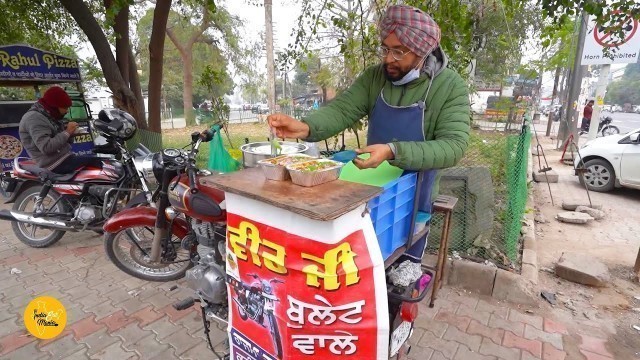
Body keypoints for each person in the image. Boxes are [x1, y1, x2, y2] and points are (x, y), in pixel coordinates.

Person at [268, 5, 470, 261]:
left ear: (422, 52)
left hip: (414, 193)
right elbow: (342, 110)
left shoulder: (449, 86)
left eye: (398, 52)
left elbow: (454, 146)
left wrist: (393, 151)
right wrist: (306, 127)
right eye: (385, 49)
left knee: (402, 262)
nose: (388, 59)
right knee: (363, 259)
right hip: (370, 188)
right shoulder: (376, 78)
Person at [19, 86, 102, 174]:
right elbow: (47, 147)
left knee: (106, 163)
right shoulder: (34, 118)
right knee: (100, 164)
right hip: (52, 164)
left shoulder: (50, 115)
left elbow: (61, 141)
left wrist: (72, 134)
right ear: (55, 106)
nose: (67, 111)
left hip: (65, 157)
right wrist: (68, 132)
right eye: (65, 107)